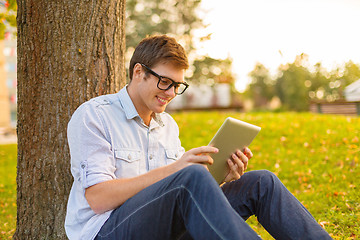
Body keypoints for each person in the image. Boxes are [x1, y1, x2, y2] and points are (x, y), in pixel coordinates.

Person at [65, 35, 332, 240]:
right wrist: (179, 169)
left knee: (261, 182)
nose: (170, 93)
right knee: (190, 176)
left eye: (177, 86)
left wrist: (220, 178)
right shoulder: (94, 116)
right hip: (108, 231)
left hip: (163, 228)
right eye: (164, 82)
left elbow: (179, 198)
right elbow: (98, 199)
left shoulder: (167, 125)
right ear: (138, 72)